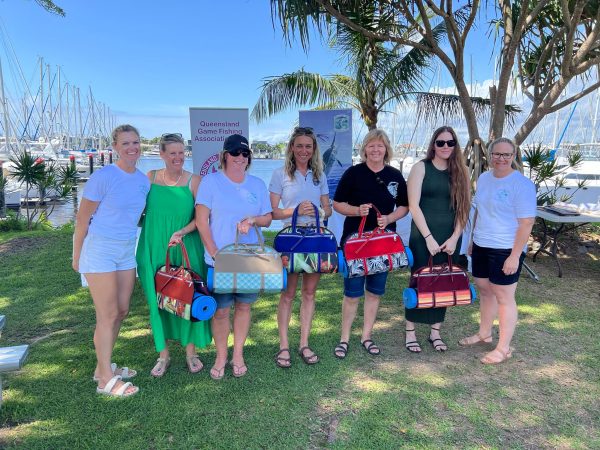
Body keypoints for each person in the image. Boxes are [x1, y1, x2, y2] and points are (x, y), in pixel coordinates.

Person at [72, 124, 149, 397]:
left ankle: (101, 367)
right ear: (115, 147)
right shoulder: (103, 177)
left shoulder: (143, 181)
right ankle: (105, 378)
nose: (132, 148)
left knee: (122, 310)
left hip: (126, 250)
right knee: (106, 315)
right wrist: (77, 257)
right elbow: (82, 220)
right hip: (100, 250)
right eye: (125, 143)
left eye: (135, 142)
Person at [196, 134, 272, 379]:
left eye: (245, 153)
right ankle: (221, 356)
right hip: (220, 261)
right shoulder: (210, 182)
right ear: (225, 156)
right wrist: (214, 252)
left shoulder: (257, 184)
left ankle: (237, 354)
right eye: (235, 153)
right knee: (220, 310)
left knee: (244, 307)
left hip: (249, 260)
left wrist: (253, 220)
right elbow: (201, 221)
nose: (240, 157)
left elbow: (268, 218)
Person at [136, 133, 212, 377]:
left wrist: (181, 232)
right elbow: (136, 210)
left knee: (187, 296)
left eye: (181, 152)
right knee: (156, 300)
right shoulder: (149, 178)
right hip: (153, 246)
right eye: (172, 153)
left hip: (186, 246)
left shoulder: (194, 181)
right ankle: (163, 355)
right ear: (162, 154)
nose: (178, 157)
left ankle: (191, 353)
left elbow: (202, 218)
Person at [332, 129, 409, 359]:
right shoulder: (353, 173)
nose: (376, 150)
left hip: (382, 245)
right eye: (371, 145)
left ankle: (366, 336)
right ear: (365, 149)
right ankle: (344, 338)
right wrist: (357, 210)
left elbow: (404, 206)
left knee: (374, 293)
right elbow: (337, 204)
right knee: (352, 294)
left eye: (380, 146)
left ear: (386, 149)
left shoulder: (395, 175)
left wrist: (390, 218)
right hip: (356, 245)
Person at [459, 137, 536, 364]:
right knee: (484, 289)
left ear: (513, 156)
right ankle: (484, 333)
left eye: (506, 155)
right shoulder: (484, 178)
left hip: (506, 248)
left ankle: (503, 348)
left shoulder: (521, 184)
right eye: (497, 154)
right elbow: (479, 210)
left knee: (504, 296)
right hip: (481, 244)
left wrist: (515, 256)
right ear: (490, 155)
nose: (501, 159)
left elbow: (526, 223)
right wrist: (472, 239)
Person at [269, 126, 332, 368]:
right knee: (288, 294)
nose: (304, 150)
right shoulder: (280, 174)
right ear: (292, 148)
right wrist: (295, 211)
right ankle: (284, 346)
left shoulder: (319, 175)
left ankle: (304, 343)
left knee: (309, 293)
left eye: (308, 146)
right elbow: (274, 212)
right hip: (291, 239)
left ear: (313, 149)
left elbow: (328, 210)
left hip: (315, 239)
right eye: (299, 146)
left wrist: (318, 211)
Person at [404, 126, 471, 353]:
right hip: (423, 235)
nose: (445, 147)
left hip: (450, 237)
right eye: (440, 142)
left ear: (455, 145)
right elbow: (413, 206)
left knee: (445, 282)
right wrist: (428, 238)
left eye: (450, 143)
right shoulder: (420, 168)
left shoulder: (462, 171)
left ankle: (435, 332)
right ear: (433, 144)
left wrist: (455, 237)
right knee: (419, 280)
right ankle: (410, 331)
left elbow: (464, 208)